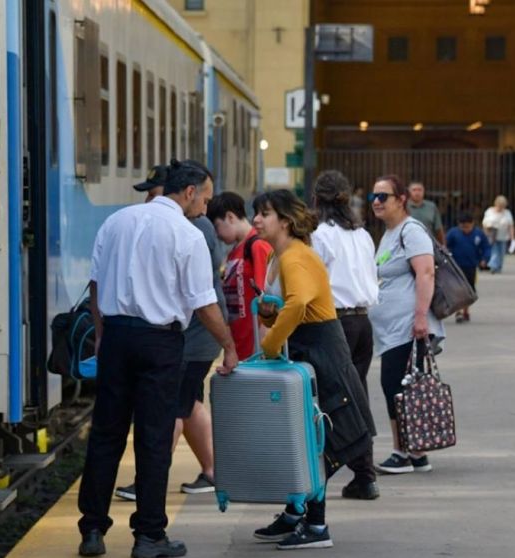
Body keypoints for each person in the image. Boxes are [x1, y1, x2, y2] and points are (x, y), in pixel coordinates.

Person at [78, 160, 238, 558]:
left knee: (105, 435)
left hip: (116, 337)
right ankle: (149, 537)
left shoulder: (117, 222)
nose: (207, 205)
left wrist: (100, 333)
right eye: (205, 196)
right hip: (160, 343)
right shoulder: (187, 234)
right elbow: (204, 303)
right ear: (188, 192)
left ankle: (93, 530)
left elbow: (95, 284)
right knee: (153, 439)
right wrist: (230, 346)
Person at [237, 189, 376, 550]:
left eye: (264, 213)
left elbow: (299, 303)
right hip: (313, 350)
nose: (256, 220)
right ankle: (297, 513)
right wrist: (269, 313)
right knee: (306, 439)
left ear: (284, 220)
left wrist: (268, 345)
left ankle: (315, 525)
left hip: (321, 354)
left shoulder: (294, 257)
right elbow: (289, 302)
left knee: (317, 442)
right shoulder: (283, 256)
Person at [113, 166, 225, 502]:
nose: (149, 199)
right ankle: (213, 471)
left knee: (172, 408)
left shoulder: (195, 227)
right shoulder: (182, 224)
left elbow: (198, 295)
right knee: (188, 404)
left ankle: (149, 481)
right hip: (191, 335)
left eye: (153, 192)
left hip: (192, 335)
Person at [368, 175, 445, 475]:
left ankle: (404, 451)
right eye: (374, 196)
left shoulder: (411, 231)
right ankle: (416, 452)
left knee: (396, 385)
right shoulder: (390, 232)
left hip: (407, 326)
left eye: (383, 196)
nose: (376, 201)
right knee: (404, 386)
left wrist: (421, 316)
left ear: (401, 199)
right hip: (392, 328)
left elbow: (426, 273)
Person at [310, 170, 380, 501]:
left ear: (316, 200)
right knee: (356, 394)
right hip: (363, 321)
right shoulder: (362, 235)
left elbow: (312, 281)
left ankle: (344, 472)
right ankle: (363, 472)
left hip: (333, 322)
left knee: (335, 400)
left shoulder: (320, 236)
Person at [207, 192, 274, 360]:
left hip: (255, 344)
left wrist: (263, 345)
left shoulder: (257, 246)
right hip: (240, 342)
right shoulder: (235, 251)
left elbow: (266, 298)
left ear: (230, 217)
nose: (217, 235)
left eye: (217, 226)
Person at [445, 213, 491, 323]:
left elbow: (486, 247)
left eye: (468, 227)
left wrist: (484, 259)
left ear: (472, 224)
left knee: (469, 290)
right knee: (457, 290)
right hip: (456, 266)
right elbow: (445, 245)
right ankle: (458, 312)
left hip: (471, 266)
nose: (465, 229)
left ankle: (466, 310)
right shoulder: (453, 233)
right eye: (463, 227)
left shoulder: (478, 234)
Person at [481, 195, 515, 273]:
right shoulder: (489, 211)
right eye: (500, 206)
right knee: (494, 252)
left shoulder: (507, 213)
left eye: (503, 206)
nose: (501, 208)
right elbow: (484, 223)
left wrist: (512, 236)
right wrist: (485, 234)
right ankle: (493, 266)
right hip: (492, 235)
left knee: (502, 253)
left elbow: (511, 225)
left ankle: (499, 267)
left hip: (503, 236)